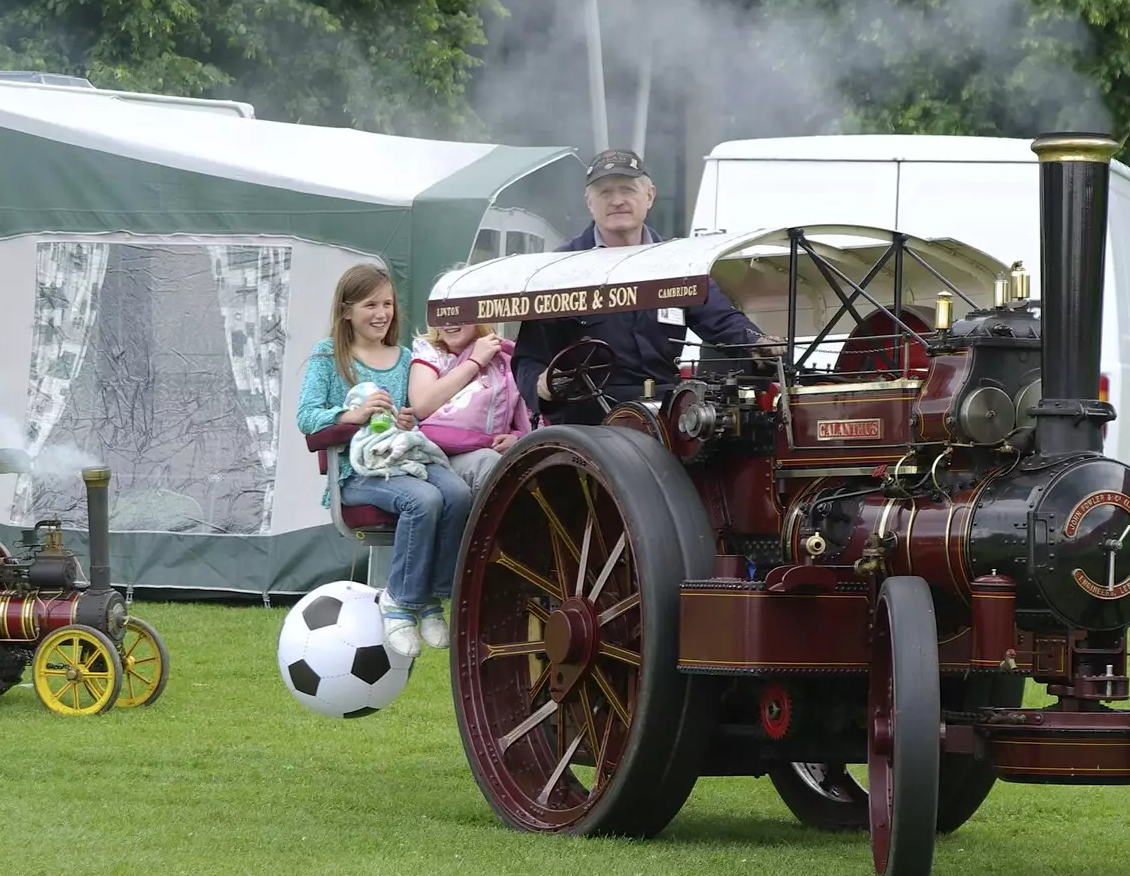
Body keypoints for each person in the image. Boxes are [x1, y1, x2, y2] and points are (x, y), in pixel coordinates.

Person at [511, 148, 782, 425]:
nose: (617, 201)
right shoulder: (559, 270)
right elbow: (528, 360)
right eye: (605, 192)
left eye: (628, 190)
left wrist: (757, 344)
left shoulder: (678, 264)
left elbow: (721, 320)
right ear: (589, 202)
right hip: (588, 422)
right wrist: (543, 386)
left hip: (666, 413)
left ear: (649, 196)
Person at [296, 263, 471, 658]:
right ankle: (399, 602)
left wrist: (410, 418)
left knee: (458, 494)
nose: (381, 313)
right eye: (369, 305)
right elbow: (306, 416)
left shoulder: (406, 356)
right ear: (346, 311)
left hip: (403, 458)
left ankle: (431, 597)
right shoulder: (330, 355)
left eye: (388, 304)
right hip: (359, 474)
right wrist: (350, 416)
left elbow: (416, 415)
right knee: (423, 500)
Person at [408, 320, 532, 494]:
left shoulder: (503, 355)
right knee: (489, 463)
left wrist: (516, 438)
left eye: (459, 311)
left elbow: (526, 417)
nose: (449, 322)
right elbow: (421, 405)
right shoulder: (431, 351)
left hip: (490, 446)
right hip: (436, 455)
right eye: (443, 313)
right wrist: (475, 361)